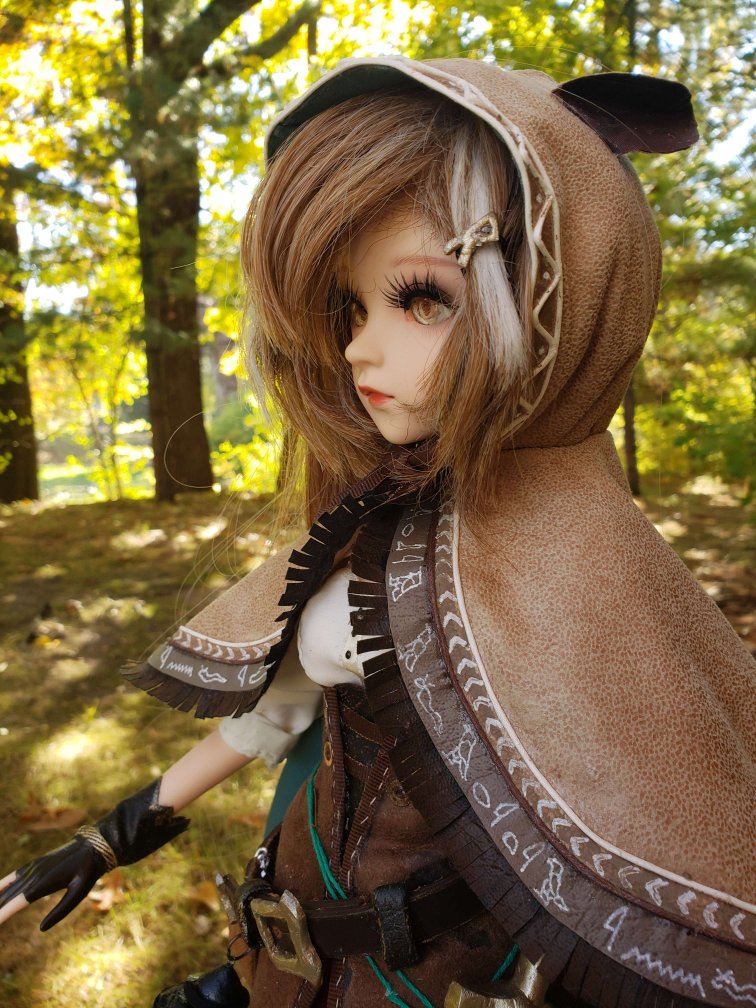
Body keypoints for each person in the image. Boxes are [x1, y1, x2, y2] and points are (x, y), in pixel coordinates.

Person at [1, 55, 754, 1008]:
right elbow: (280, 710)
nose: (359, 346)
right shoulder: (383, 519)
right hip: (287, 954)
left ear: (560, 304)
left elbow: (647, 844)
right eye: (352, 307)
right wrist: (116, 834)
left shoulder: (594, 579)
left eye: (420, 298)